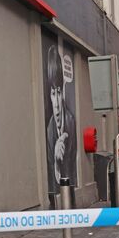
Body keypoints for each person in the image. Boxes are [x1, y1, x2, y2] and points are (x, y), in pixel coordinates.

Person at [46, 45, 76, 194]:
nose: (56, 103)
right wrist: (56, 162)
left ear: (62, 92)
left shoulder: (71, 122)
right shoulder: (49, 130)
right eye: (53, 93)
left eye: (58, 92)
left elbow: (73, 171)